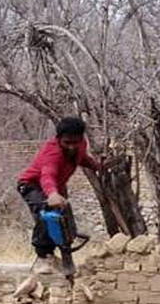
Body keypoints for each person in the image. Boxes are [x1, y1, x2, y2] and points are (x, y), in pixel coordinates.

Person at [17, 116, 101, 274]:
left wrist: (97, 166)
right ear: (59, 138)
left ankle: (67, 263)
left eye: (75, 142)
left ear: (81, 138)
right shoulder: (53, 152)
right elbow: (47, 176)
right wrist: (52, 194)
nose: (71, 147)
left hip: (57, 188)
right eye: (67, 142)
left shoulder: (81, 145)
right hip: (31, 185)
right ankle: (43, 256)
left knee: (64, 224)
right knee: (47, 213)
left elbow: (82, 158)